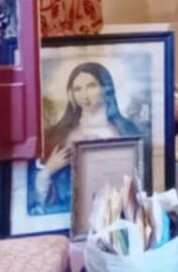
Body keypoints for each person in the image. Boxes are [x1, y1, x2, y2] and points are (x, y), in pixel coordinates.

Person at [33, 62, 144, 212]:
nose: (84, 95)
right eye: (77, 89)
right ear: (70, 94)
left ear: (106, 88)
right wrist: (48, 170)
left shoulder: (127, 130)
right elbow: (37, 203)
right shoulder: (58, 135)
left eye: (91, 86)